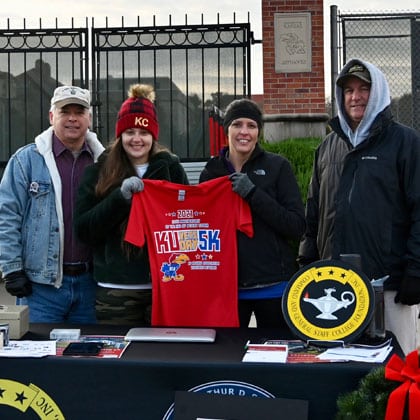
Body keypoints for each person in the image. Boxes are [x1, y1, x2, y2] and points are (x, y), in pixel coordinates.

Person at [298, 58, 420, 355]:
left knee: (394, 371)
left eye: (364, 88)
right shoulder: (327, 147)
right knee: (341, 371)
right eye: (349, 90)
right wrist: (306, 258)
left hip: (389, 287)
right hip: (336, 283)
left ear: (377, 92)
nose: (355, 96)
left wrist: (415, 270)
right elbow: (313, 208)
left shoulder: (405, 142)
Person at [74, 83, 189, 325]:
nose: (137, 139)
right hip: (115, 290)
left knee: (163, 358)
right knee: (121, 360)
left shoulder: (171, 169)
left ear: (154, 136)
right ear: (120, 135)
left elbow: (187, 221)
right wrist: (119, 199)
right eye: (130, 132)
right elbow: (84, 229)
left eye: (144, 133)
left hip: (164, 285)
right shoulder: (97, 172)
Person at [0, 85, 105, 323]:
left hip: (91, 286)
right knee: (38, 358)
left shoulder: (105, 163)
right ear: (51, 116)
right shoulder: (26, 161)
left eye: (79, 112)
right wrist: (12, 268)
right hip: (41, 289)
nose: (72, 118)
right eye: (64, 111)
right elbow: (7, 216)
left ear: (89, 118)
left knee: (89, 359)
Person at [199, 98, 306, 328]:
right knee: (228, 360)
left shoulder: (278, 166)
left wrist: (253, 194)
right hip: (228, 288)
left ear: (259, 131)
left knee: (275, 357)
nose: (244, 132)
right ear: (226, 128)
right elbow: (204, 230)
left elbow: (296, 225)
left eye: (252, 125)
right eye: (237, 124)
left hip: (273, 286)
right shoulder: (211, 172)